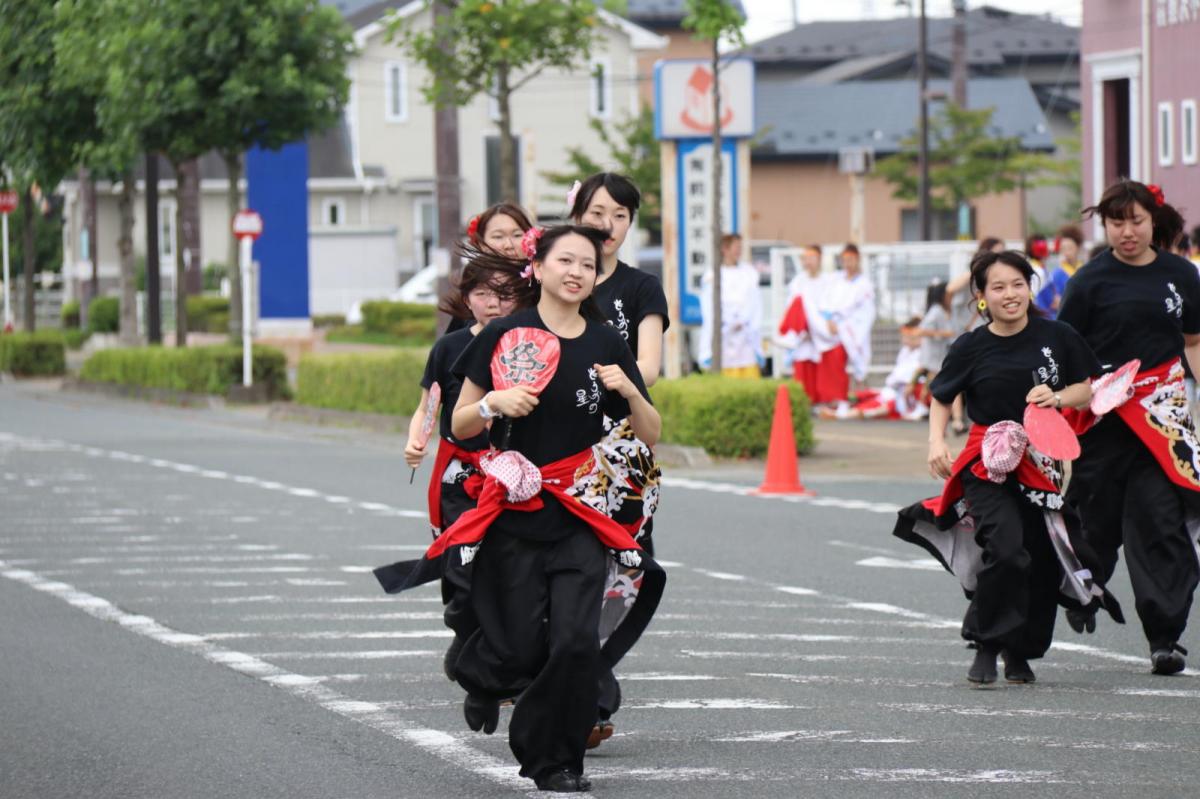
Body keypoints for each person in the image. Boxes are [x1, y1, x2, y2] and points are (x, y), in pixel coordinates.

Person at [373, 225, 665, 793]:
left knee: (575, 642)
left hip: (581, 512)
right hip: (514, 510)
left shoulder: (607, 342)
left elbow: (650, 433)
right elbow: (460, 424)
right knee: (518, 645)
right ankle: (484, 673)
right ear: (540, 267)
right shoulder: (505, 334)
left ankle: (556, 760)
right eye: (566, 261)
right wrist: (492, 402)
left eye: (588, 264)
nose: (577, 272)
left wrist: (629, 390)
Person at [893, 250, 1122, 684]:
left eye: (1018, 284)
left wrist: (1057, 397)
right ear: (981, 296)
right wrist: (936, 441)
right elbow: (942, 396)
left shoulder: (1058, 335)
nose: (1010, 294)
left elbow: (1086, 389)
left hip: (1042, 462)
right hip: (988, 463)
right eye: (998, 287)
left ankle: (1021, 652)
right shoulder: (970, 346)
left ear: (1029, 289)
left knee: (1041, 557)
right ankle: (986, 644)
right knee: (1007, 549)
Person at [1058, 179, 1200, 676]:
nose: (1127, 231)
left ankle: (1165, 638)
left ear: (1153, 220)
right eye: (1116, 222)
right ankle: (1083, 589)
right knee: (1094, 520)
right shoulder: (1088, 282)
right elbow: (1066, 352)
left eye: (1136, 221)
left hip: (1163, 420)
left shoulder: (1181, 274)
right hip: (1104, 419)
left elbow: (1194, 341)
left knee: (1160, 522)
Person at [569, 172, 668, 747]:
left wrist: (618, 378)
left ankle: (587, 687)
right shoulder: (551, 278)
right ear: (576, 213)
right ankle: (584, 700)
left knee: (622, 572)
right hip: (556, 448)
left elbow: (649, 363)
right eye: (597, 212)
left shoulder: (641, 287)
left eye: (620, 216)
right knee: (565, 574)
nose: (607, 225)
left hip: (622, 453)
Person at [403, 259, 519, 678]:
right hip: (460, 476)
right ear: (467, 299)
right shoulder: (449, 348)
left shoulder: (529, 345)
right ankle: (466, 635)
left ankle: (498, 658)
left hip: (515, 476)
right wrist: (416, 441)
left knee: (510, 570)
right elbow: (427, 407)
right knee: (461, 568)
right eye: (483, 294)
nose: (493, 303)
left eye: (504, 294)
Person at [445, 204, 533, 332]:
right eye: (498, 237)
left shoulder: (543, 284)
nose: (508, 245)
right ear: (481, 243)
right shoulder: (474, 279)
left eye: (517, 235)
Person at [812, 243, 875, 403]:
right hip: (832, 328)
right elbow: (824, 302)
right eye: (845, 260)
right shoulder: (835, 280)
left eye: (851, 260)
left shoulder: (864, 285)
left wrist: (845, 326)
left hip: (852, 329)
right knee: (831, 363)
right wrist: (829, 319)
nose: (848, 264)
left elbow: (865, 313)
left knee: (856, 362)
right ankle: (833, 398)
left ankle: (857, 396)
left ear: (858, 260)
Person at [698, 232, 763, 377]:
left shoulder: (749, 273)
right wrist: (728, 322)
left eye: (740, 247)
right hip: (724, 335)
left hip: (745, 335)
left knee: (748, 374)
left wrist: (744, 320)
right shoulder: (712, 275)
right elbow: (708, 307)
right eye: (736, 247)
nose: (739, 250)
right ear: (725, 249)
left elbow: (755, 304)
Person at [778, 244, 836, 402]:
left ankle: (822, 402)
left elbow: (830, 305)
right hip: (803, 334)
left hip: (821, 331)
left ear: (819, 259)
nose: (808, 262)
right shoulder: (798, 282)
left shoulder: (828, 281)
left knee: (822, 375)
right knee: (803, 375)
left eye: (812, 258)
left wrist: (820, 324)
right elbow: (793, 307)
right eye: (806, 258)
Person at [915, 280, 961, 430]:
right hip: (936, 357)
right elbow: (921, 331)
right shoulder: (936, 310)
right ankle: (953, 419)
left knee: (942, 386)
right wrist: (943, 333)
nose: (951, 297)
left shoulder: (947, 310)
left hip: (942, 355)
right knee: (943, 387)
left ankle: (953, 419)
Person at [1036, 225, 1084, 317]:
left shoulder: (1085, 271)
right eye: (1063, 249)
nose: (1066, 253)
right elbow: (1051, 303)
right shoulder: (1055, 274)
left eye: (1070, 248)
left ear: (1078, 248)